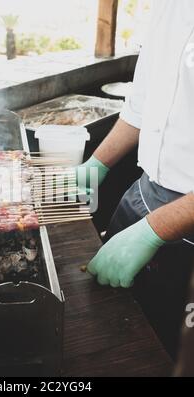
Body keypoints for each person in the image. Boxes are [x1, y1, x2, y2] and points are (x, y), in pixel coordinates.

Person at [78, 0, 194, 356]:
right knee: (112, 333)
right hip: (142, 196)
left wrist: (154, 229)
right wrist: (95, 165)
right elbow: (142, 103)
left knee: (169, 355)